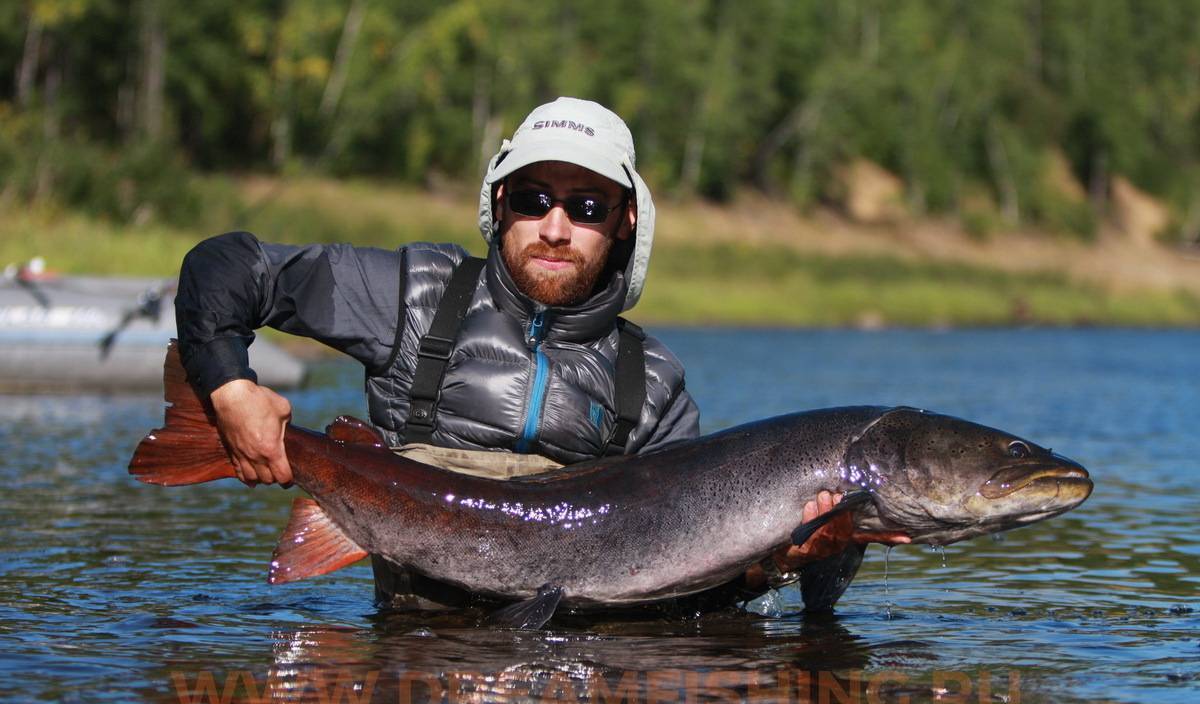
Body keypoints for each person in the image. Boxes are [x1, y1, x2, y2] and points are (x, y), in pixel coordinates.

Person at [175, 97, 896, 611]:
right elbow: (225, 267)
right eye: (532, 197)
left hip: (576, 686)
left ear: (624, 222)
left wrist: (785, 561)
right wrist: (229, 388)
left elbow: (690, 586)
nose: (555, 226)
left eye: (586, 207)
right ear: (499, 201)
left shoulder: (652, 385)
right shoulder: (411, 295)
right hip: (412, 674)